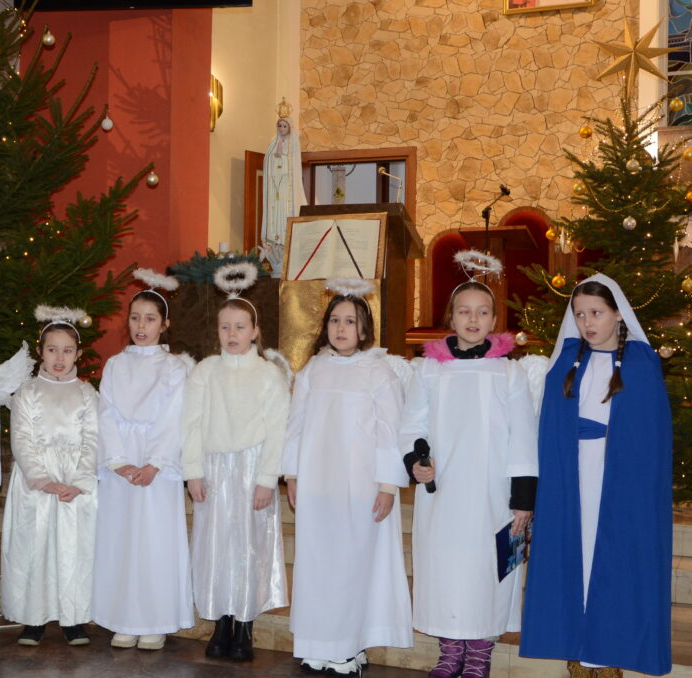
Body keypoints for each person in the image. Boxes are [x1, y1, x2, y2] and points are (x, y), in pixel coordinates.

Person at [520, 274, 672, 678]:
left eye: (597, 313)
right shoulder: (567, 361)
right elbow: (550, 425)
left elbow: (651, 438)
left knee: (614, 561)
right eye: (580, 314)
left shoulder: (640, 363)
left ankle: (607, 655)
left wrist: (634, 483)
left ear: (618, 314)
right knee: (577, 556)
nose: (587, 322)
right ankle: (578, 650)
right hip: (571, 479)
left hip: (620, 482)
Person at [399, 260, 538, 678]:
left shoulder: (509, 373)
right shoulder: (430, 369)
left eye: (482, 312)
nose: (473, 319)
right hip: (445, 493)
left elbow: (523, 436)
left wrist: (522, 499)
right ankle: (449, 651)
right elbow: (413, 424)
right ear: (452, 317)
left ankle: (479, 652)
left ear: (494, 321)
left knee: (487, 571)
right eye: (464, 311)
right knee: (445, 568)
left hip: (494, 493)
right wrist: (418, 461)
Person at [283, 279, 412, 676]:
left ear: (364, 329)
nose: (341, 328)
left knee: (351, 566)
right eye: (335, 320)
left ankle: (348, 647)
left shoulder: (378, 372)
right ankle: (317, 644)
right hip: (318, 483)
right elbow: (296, 425)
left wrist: (388, 485)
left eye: (350, 321)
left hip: (360, 487)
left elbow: (391, 432)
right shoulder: (313, 370)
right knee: (317, 564)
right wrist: (292, 474)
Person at [183, 263, 290, 663]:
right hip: (214, 469)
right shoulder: (206, 371)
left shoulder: (269, 375)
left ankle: (245, 623)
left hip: (251, 468)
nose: (232, 334)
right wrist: (193, 471)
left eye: (240, 327)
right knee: (216, 546)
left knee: (249, 546)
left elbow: (278, 429)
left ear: (255, 331)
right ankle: (220, 620)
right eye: (225, 327)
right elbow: (190, 423)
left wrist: (267, 478)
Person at [92, 269, 194, 651]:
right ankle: (122, 617)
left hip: (156, 466)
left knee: (154, 542)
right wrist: (118, 461)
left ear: (164, 324)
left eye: (150, 319)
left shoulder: (173, 368)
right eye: (135, 317)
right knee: (121, 540)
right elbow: (106, 413)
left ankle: (154, 620)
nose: (141, 326)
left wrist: (154, 463)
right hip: (122, 466)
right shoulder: (115, 365)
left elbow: (174, 417)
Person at [1, 306, 98, 647]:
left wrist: (79, 481)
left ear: (78, 354)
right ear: (40, 351)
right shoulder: (27, 392)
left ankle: (73, 618)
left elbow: (93, 439)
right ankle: (34, 618)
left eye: (67, 350)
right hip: (37, 485)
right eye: (52, 349)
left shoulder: (87, 394)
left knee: (73, 550)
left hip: (74, 483)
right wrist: (43, 479)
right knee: (35, 548)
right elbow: (22, 439)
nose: (59, 357)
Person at [261, 100, 305, 277]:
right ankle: (275, 248)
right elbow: (267, 162)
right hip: (275, 188)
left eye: (284, 126)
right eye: (279, 125)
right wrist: (275, 156)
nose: (281, 129)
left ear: (289, 127)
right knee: (275, 214)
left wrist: (283, 157)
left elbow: (293, 165)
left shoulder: (293, 143)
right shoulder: (273, 142)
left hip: (287, 188)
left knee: (285, 215)